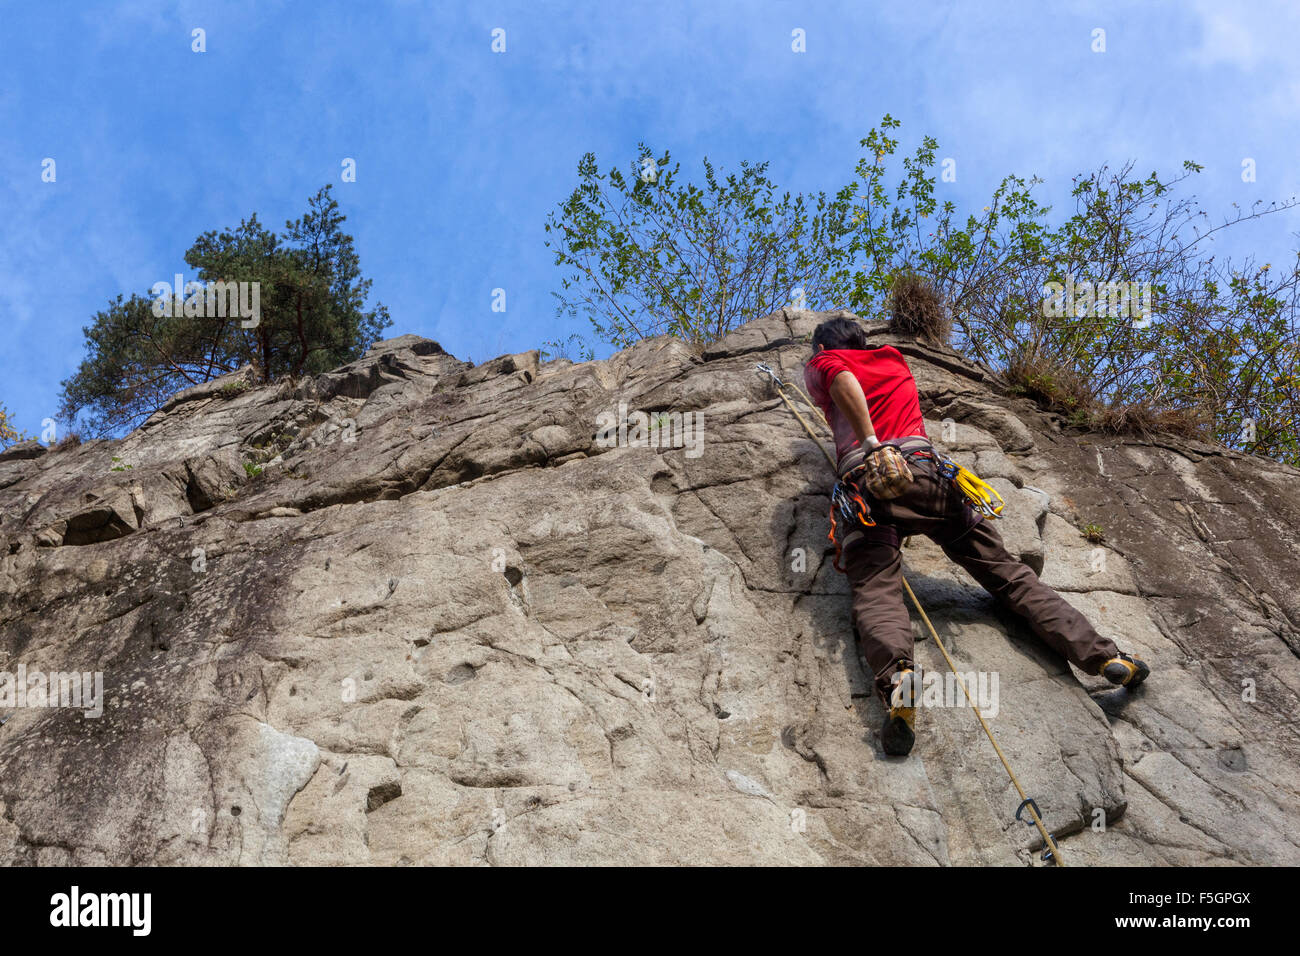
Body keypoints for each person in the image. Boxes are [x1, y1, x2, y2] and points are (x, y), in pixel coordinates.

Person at [804, 316, 1150, 757]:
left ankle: (899, 680)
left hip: (866, 487)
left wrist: (871, 442)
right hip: (928, 476)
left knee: (876, 589)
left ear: (820, 348)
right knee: (1009, 574)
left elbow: (842, 378)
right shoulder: (893, 359)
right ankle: (1106, 658)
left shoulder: (826, 361)